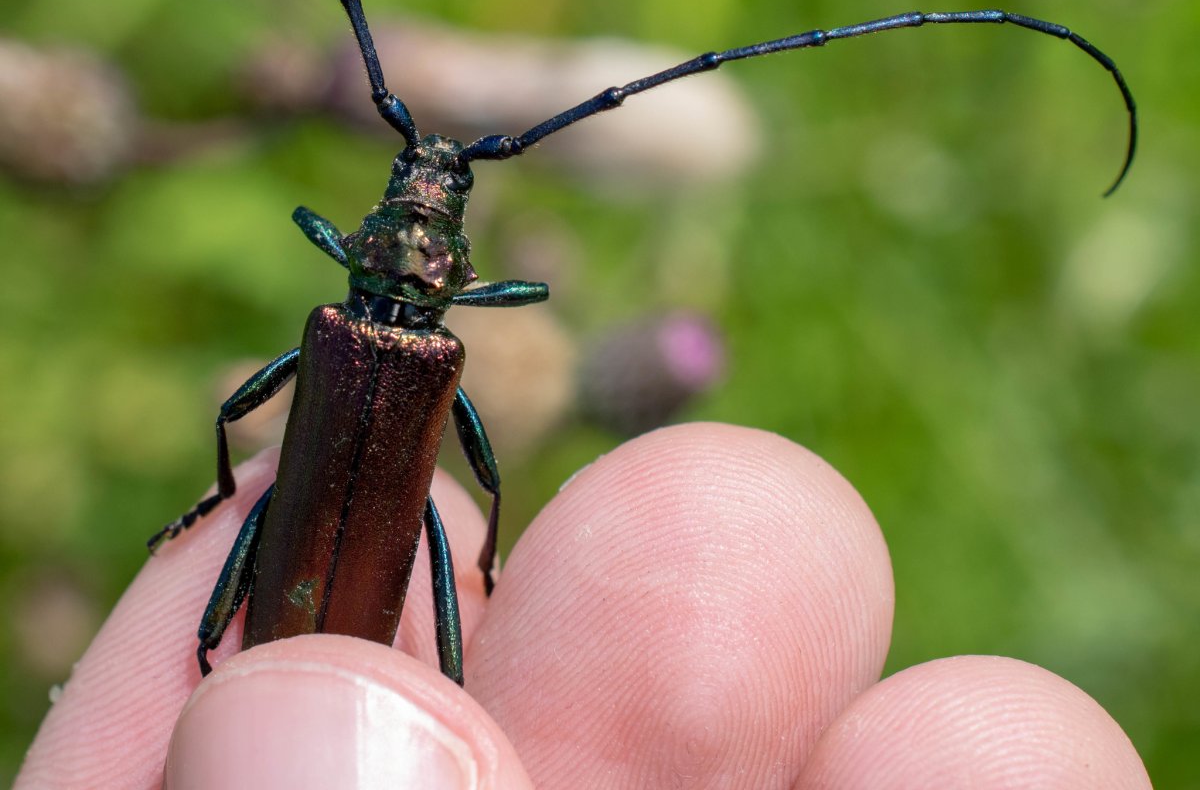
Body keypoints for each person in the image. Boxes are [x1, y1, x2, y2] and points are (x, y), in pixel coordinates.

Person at [16, 424, 1151, 788]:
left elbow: (236, 409)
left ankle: (233, 535)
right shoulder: (410, 347)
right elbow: (488, 481)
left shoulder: (330, 337)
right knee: (457, 530)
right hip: (345, 577)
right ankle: (476, 586)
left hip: (307, 578)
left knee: (255, 495)